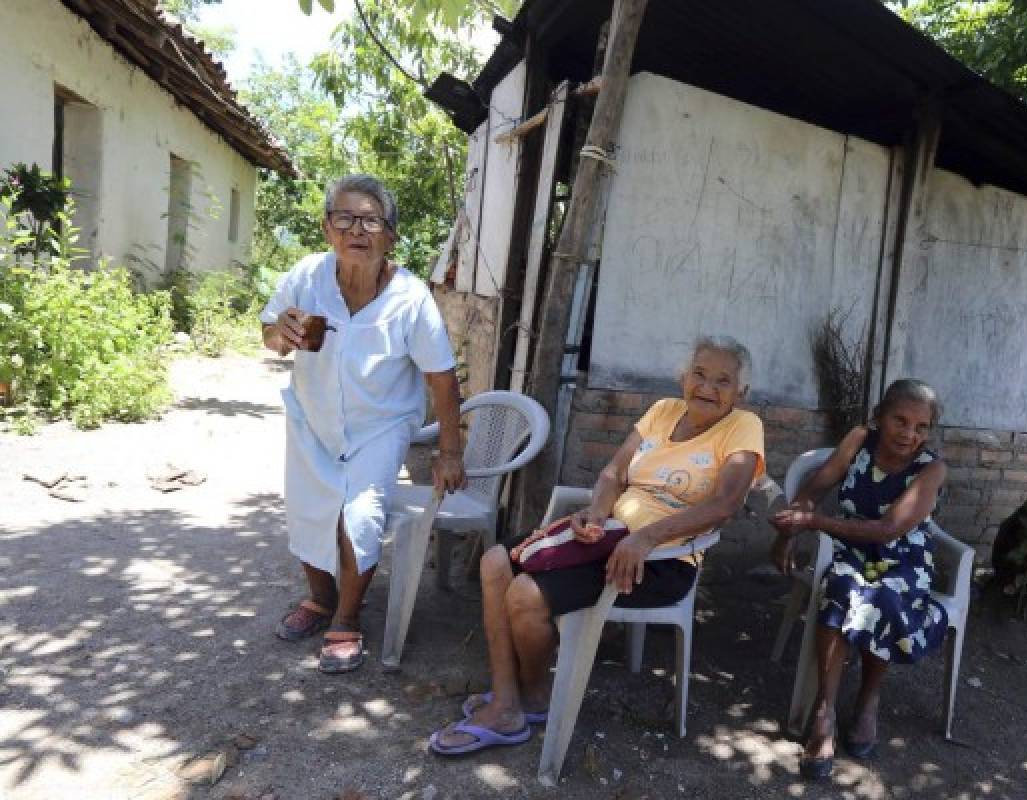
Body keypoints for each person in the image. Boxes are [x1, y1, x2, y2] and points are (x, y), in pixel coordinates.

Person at [429, 336, 766, 755]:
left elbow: (726, 503)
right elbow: (612, 473)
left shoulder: (743, 426)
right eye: (699, 374)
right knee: (496, 560)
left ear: (741, 392)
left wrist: (646, 537)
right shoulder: (663, 411)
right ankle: (508, 697)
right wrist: (596, 513)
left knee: (525, 593)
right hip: (608, 538)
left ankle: (527, 699)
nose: (707, 387)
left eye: (722, 380)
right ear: (684, 377)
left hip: (663, 560)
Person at [261, 174, 466, 674]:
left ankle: (348, 617)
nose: (358, 229)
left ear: (390, 235)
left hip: (381, 426)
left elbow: (441, 377)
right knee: (310, 511)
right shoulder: (306, 277)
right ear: (328, 229)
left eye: (371, 220)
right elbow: (269, 334)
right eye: (345, 218)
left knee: (360, 514)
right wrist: (280, 335)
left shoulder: (410, 297)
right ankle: (319, 599)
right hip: (313, 419)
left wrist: (450, 450)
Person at [769, 379, 948, 779]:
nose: (909, 434)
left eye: (920, 427)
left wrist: (812, 522)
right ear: (880, 416)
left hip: (904, 559)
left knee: (884, 598)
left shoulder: (931, 468)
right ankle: (824, 712)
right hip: (849, 549)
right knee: (842, 588)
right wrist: (789, 529)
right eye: (900, 420)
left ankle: (868, 698)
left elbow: (889, 530)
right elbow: (816, 486)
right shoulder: (858, 440)